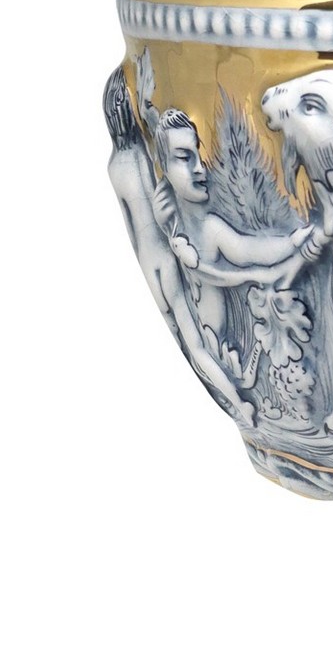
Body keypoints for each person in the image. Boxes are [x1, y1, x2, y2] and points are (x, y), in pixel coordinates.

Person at [103, 72, 253, 425]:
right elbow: (159, 192)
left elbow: (136, 223)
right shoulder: (140, 160)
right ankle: (240, 401)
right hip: (167, 260)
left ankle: (237, 399)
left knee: (192, 339)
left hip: (151, 259)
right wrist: (173, 238)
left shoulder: (117, 164)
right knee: (197, 344)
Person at [152, 108, 319, 348]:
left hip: (218, 347)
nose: (200, 167)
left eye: (197, 153)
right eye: (184, 157)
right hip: (207, 346)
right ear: (163, 168)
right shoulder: (173, 227)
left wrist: (291, 241)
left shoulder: (210, 228)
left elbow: (248, 250)